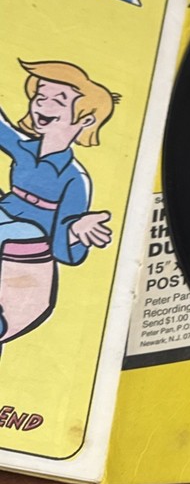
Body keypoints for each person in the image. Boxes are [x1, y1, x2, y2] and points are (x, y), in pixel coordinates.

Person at [0, 61, 117, 340]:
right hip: (7, 212)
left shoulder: (75, 178)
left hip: (32, 234)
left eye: (58, 101)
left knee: (20, 229)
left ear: (85, 120)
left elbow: (64, 240)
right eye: (40, 96)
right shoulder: (25, 148)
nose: (43, 105)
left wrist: (77, 230)